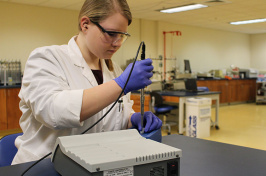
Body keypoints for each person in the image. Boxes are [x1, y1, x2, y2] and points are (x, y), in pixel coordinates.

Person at [12, 0, 162, 165]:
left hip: (95, 164)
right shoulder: (46, 58)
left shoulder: (114, 70)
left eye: (122, 36)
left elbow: (115, 116)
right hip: (43, 166)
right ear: (85, 25)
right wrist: (120, 85)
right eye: (111, 34)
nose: (117, 43)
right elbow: (52, 112)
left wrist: (133, 119)